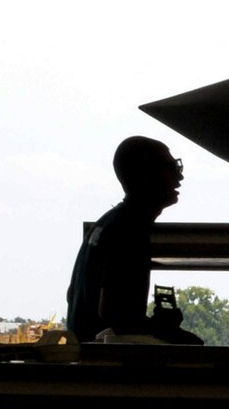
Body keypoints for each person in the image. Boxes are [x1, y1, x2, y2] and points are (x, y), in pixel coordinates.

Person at [66, 136, 200, 342]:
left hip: (85, 352)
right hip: (105, 361)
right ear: (144, 176)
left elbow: (73, 296)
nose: (179, 178)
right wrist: (162, 326)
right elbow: (115, 317)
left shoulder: (107, 224)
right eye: (170, 168)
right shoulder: (129, 232)